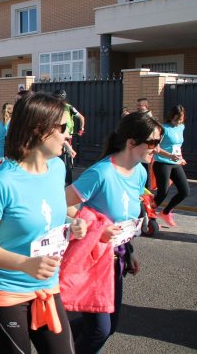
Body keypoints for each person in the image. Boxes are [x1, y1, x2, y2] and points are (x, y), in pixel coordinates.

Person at [0, 92, 86, 354]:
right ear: (39, 130)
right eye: (64, 127)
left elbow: (48, 213)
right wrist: (25, 264)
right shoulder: (3, 181)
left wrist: (72, 223)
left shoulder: (56, 168)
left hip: (46, 287)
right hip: (5, 291)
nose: (69, 134)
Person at [65, 111, 162, 354]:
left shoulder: (139, 171)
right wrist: (93, 226)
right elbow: (62, 204)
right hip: (92, 257)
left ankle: (52, 338)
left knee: (108, 327)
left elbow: (126, 220)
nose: (157, 149)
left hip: (116, 258)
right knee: (99, 329)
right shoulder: (102, 173)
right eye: (153, 143)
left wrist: (129, 251)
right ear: (131, 143)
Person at [152, 105, 190, 227]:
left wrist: (180, 157)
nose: (178, 122)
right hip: (162, 163)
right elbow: (155, 148)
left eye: (180, 119)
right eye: (176, 120)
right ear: (171, 117)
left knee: (185, 191)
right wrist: (169, 156)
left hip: (175, 163)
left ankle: (166, 212)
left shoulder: (181, 127)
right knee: (163, 192)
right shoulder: (163, 129)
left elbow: (177, 145)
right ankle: (148, 214)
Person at [53, 89, 85, 186]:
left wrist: (81, 128)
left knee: (65, 156)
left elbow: (81, 117)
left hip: (66, 136)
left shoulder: (68, 108)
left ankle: (67, 177)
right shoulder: (57, 108)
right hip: (61, 135)